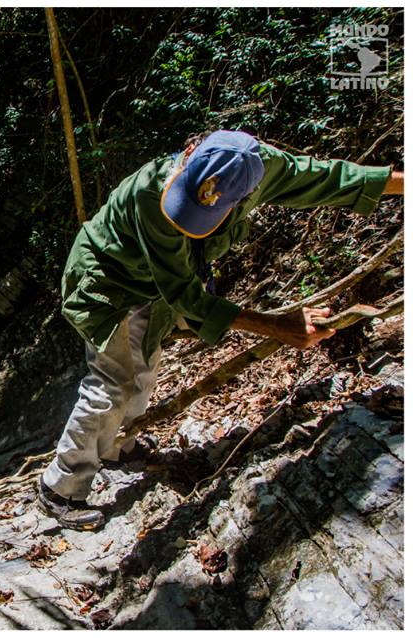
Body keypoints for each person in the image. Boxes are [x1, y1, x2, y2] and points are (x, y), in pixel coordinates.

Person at [38, 129, 404, 530]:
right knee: (113, 381)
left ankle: (116, 448)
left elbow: (333, 178)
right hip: (104, 281)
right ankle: (60, 487)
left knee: (144, 367)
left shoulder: (262, 170)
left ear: (245, 196)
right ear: (191, 150)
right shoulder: (149, 194)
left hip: (151, 286)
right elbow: (184, 295)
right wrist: (275, 326)